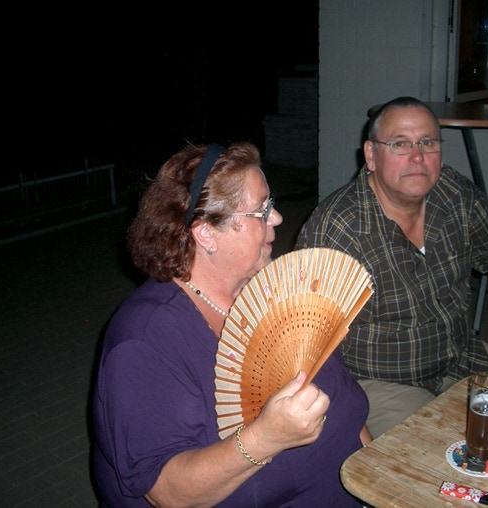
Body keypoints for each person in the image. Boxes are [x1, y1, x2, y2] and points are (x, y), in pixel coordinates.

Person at [91, 141, 371, 507]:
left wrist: (375, 480)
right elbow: (167, 492)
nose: (277, 218)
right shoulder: (144, 340)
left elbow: (347, 404)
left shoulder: (271, 292)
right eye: (262, 210)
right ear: (206, 233)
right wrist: (266, 438)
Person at [295, 96, 488, 438]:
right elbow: (305, 342)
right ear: (371, 155)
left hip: (459, 357)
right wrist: (348, 416)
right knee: (437, 446)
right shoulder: (338, 230)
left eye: (427, 143)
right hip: (381, 380)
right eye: (400, 144)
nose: (417, 156)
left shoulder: (453, 192)